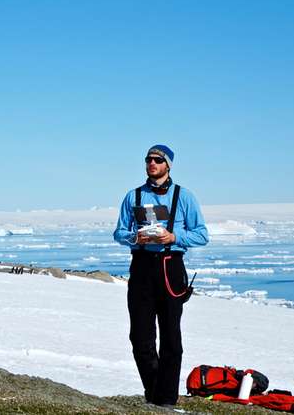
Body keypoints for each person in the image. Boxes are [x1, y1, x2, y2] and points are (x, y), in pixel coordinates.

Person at [113, 144, 209, 407]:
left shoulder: (184, 196)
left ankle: (164, 399)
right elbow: (119, 232)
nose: (152, 163)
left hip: (170, 265)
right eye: (148, 159)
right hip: (142, 265)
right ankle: (155, 391)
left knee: (170, 336)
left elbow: (202, 234)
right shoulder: (132, 196)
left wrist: (174, 236)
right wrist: (135, 237)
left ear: (168, 165)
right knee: (140, 336)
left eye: (158, 160)